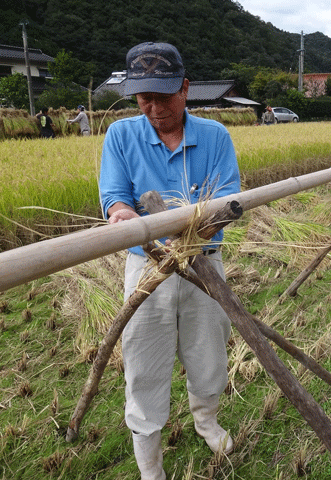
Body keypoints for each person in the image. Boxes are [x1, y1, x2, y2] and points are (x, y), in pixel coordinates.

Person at [99, 42, 241, 480]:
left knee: (208, 354)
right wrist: (121, 215)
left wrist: (195, 227)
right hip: (147, 268)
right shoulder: (122, 136)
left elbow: (227, 202)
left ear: (185, 88)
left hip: (204, 263)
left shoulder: (214, 136)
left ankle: (206, 420)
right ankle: (150, 461)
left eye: (163, 96)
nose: (154, 107)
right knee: (143, 361)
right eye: (145, 97)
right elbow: (115, 198)